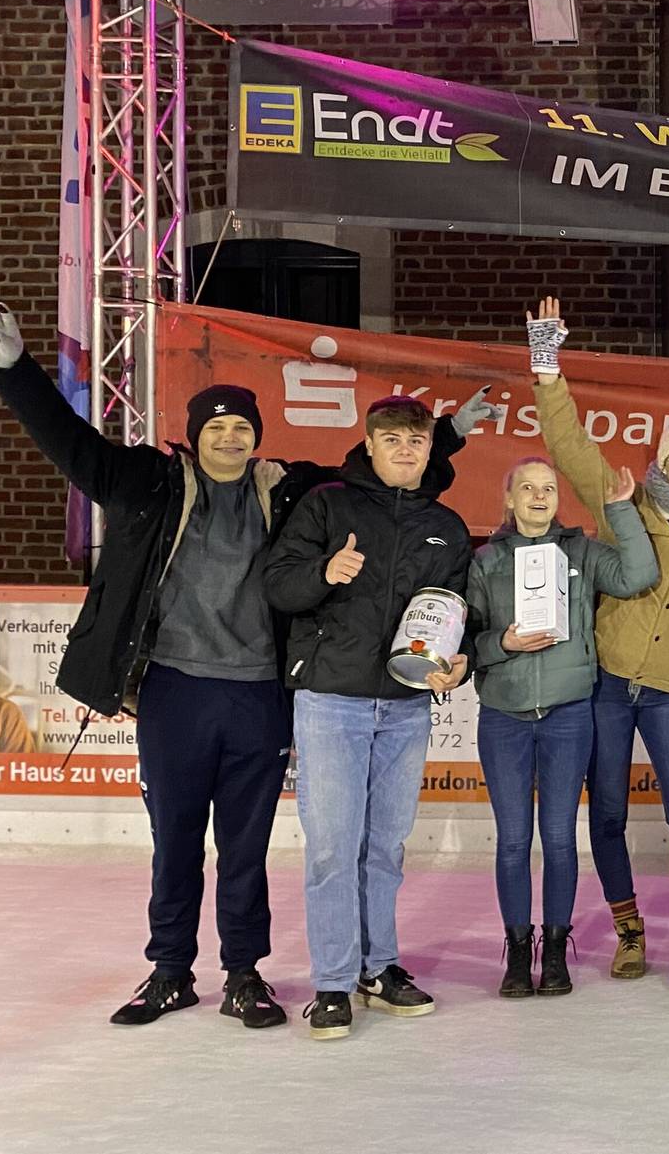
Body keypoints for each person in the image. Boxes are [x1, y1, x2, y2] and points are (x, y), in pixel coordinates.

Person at [0, 305, 478, 1031]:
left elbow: (377, 478)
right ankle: (170, 971)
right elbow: (74, 447)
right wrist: (14, 371)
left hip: (258, 694)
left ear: (256, 436)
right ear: (196, 434)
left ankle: (244, 972)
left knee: (245, 847)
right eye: (216, 426)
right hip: (175, 690)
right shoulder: (151, 482)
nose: (229, 436)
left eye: (241, 427)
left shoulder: (286, 488)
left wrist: (448, 437)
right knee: (176, 838)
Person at [531, 297, 669, 991]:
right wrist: (547, 365)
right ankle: (627, 931)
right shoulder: (628, 498)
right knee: (612, 812)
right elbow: (568, 447)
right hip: (610, 679)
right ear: (663, 460)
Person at [264, 395, 476, 1042]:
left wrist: (456, 664)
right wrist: (325, 570)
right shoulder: (328, 503)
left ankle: (377, 967)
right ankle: (333, 981)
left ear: (428, 449)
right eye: (394, 440)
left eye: (416, 441)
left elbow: (457, 613)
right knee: (332, 845)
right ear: (371, 442)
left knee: (383, 844)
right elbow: (279, 584)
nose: (405, 451)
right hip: (331, 698)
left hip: (407, 705)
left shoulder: (448, 526)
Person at [463, 458, 658, 999]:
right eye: (526, 487)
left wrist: (621, 511)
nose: (539, 495)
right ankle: (517, 950)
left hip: (569, 715)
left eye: (548, 488)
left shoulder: (582, 553)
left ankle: (554, 951)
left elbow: (639, 575)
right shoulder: (485, 561)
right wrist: (501, 643)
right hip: (504, 716)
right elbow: (466, 640)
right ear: (509, 498)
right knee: (513, 841)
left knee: (557, 838)